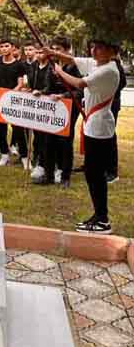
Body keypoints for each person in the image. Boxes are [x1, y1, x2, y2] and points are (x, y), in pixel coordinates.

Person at [45, 38, 120, 234]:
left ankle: (102, 220)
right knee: (92, 173)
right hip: (93, 124)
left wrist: (59, 72)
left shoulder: (109, 71)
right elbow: (73, 59)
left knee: (95, 174)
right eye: (93, 47)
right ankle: (98, 216)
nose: (94, 51)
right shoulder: (98, 64)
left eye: (100, 48)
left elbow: (79, 83)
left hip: (99, 126)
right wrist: (53, 53)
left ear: (112, 51)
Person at [41, 36, 82, 188]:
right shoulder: (52, 66)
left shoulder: (75, 67)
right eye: (53, 48)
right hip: (53, 108)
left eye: (58, 49)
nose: (55, 52)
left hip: (69, 107)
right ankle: (49, 174)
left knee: (65, 142)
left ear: (66, 50)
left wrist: (62, 96)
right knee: (49, 141)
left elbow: (79, 90)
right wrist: (42, 92)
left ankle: (65, 176)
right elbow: (48, 87)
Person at [0, 38, 29, 168]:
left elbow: (20, 84)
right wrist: (0, 97)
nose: (4, 48)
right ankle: (4, 155)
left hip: (14, 101)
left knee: (18, 131)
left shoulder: (19, 65)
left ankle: (24, 157)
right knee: (0, 131)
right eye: (2, 46)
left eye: (7, 46)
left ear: (12, 48)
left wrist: (9, 96)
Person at [28, 46, 51, 182]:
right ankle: (38, 162)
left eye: (41, 52)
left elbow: (50, 85)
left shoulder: (51, 67)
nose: (38, 54)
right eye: (37, 52)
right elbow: (31, 83)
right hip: (35, 104)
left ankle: (46, 164)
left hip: (47, 103)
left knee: (46, 137)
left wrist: (42, 92)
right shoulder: (33, 66)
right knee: (37, 137)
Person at [107, 55, 127, 183]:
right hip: (103, 104)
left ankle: (112, 171)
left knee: (109, 136)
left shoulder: (115, 65)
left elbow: (122, 83)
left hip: (111, 104)